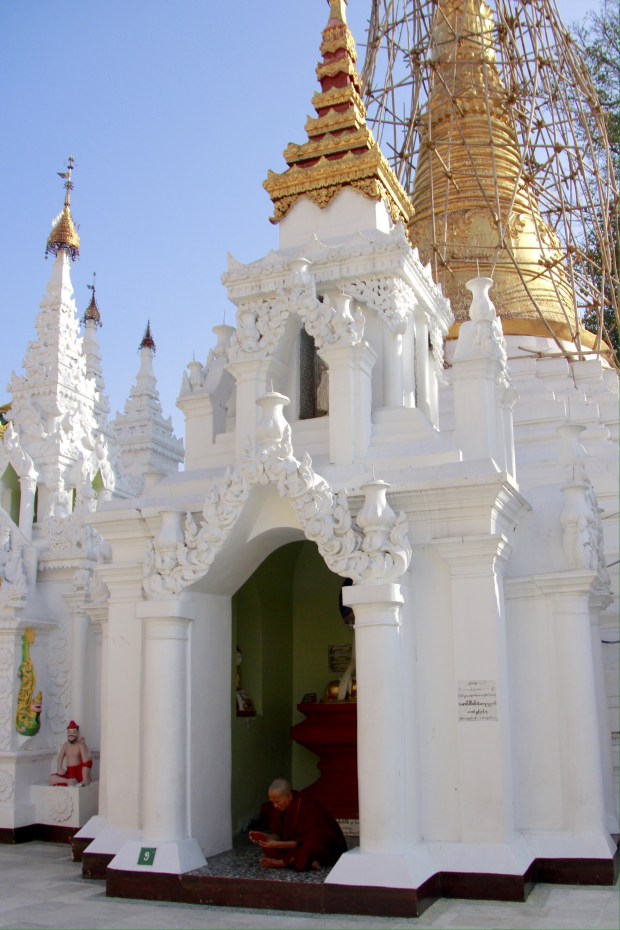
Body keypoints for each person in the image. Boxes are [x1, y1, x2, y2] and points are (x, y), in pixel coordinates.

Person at [249, 778, 347, 871]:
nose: (275, 805)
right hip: (295, 846)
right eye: (272, 802)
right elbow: (279, 835)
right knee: (269, 848)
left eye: (277, 801)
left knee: (309, 847)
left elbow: (310, 840)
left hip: (324, 847)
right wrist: (264, 836)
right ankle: (305, 862)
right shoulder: (279, 809)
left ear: (288, 796)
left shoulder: (308, 805)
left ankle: (281, 863)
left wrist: (279, 844)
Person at [48, 721, 92, 786]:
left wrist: (82, 745)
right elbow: (60, 757)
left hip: (80, 772)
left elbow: (86, 759)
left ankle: (85, 779)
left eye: (74, 732)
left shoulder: (80, 744)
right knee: (51, 779)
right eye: (69, 732)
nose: (71, 734)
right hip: (69, 772)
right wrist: (59, 768)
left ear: (78, 733)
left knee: (88, 759)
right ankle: (68, 781)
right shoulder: (66, 745)